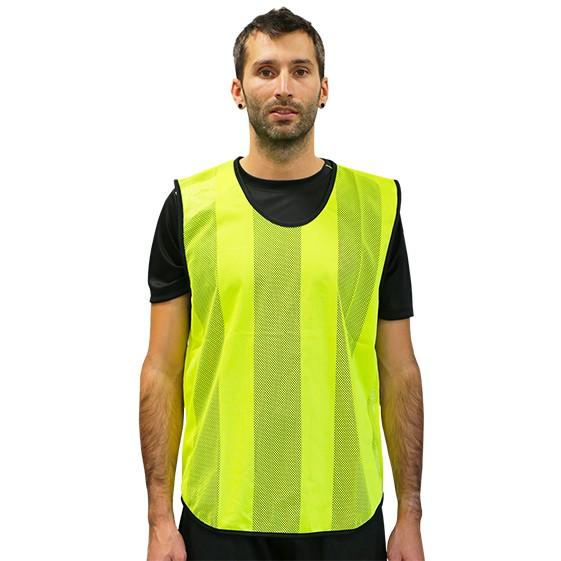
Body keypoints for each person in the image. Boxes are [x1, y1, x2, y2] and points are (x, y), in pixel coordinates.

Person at [140, 7, 425, 561]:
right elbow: (161, 370)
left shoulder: (377, 208)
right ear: (237, 89)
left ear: (324, 88)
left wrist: (410, 514)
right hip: (220, 515)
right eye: (266, 71)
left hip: (346, 514)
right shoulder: (189, 207)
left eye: (300, 70)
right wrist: (158, 520)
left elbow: (400, 370)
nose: (284, 87)